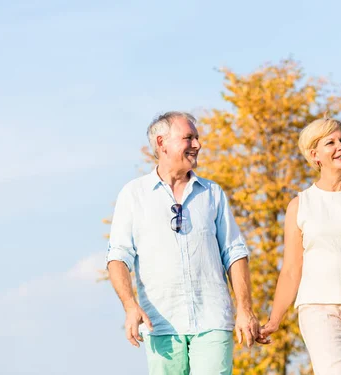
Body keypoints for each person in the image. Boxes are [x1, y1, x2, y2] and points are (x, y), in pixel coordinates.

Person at [106, 111, 260, 375]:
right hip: (160, 322)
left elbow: (235, 253)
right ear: (161, 142)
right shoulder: (134, 194)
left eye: (197, 138)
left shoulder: (212, 193)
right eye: (189, 138)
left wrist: (245, 310)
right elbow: (118, 257)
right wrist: (130, 306)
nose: (197, 145)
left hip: (213, 318)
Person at [259, 117, 341, 374]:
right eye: (330, 142)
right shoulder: (300, 205)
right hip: (317, 307)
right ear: (314, 155)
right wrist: (275, 318)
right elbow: (292, 268)